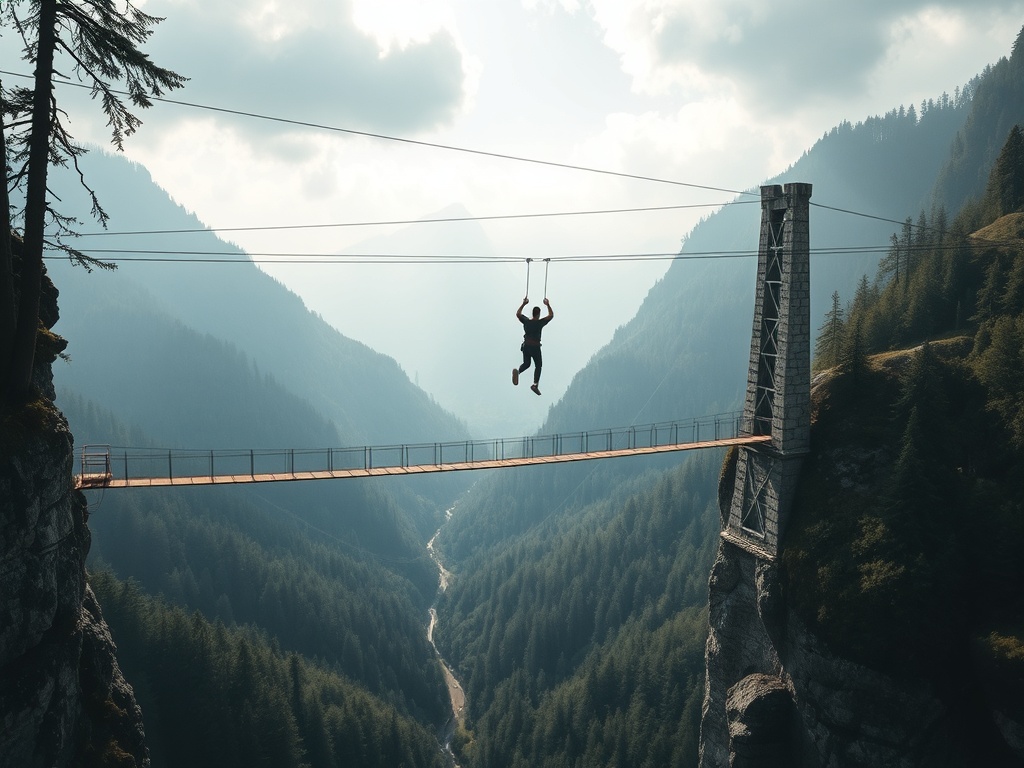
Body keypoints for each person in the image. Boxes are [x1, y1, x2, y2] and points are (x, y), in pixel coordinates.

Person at [513, 296, 554, 395]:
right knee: (538, 365)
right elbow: (551, 315)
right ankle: (535, 385)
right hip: (535, 347)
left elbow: (518, 314)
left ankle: (518, 372)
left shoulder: (526, 321)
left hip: (526, 346)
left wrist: (523, 303)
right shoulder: (540, 323)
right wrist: (548, 304)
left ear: (532, 313)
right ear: (539, 314)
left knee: (527, 364)